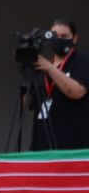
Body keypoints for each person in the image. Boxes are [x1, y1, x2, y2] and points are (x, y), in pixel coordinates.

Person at [32, 18, 89, 151]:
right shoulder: (41, 66)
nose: (59, 39)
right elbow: (28, 103)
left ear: (74, 39)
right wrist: (27, 74)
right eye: (55, 36)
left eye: (64, 36)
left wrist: (50, 68)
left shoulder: (83, 62)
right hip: (42, 146)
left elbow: (76, 92)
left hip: (73, 145)